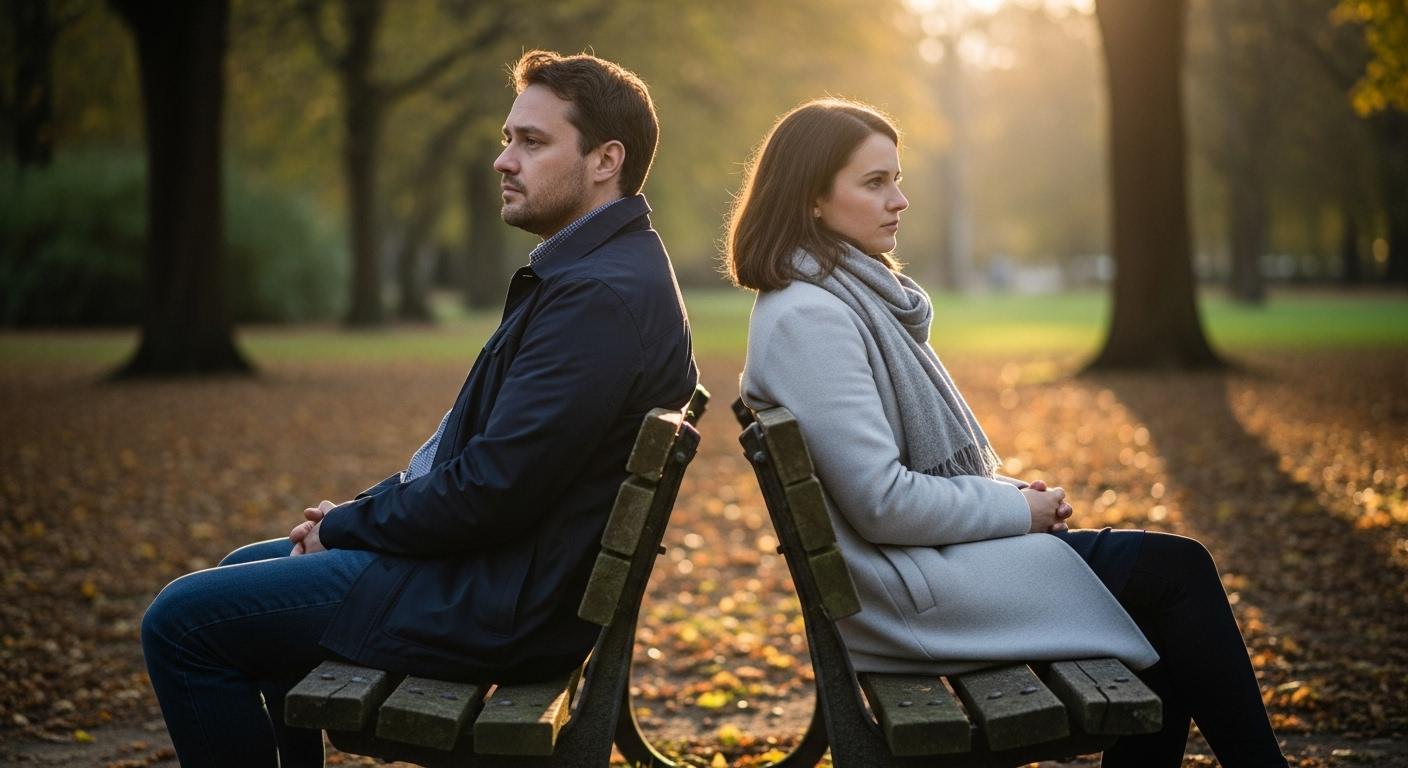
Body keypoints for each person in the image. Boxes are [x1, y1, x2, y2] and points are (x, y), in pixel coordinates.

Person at [141, 50, 697, 768]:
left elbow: (493, 489)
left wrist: (347, 526)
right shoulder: (600, 273)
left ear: (604, 160)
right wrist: (355, 516)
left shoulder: (598, 297)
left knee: (180, 623)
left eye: (532, 142)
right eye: (507, 139)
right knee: (243, 570)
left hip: (496, 604)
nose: (504, 160)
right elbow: (487, 467)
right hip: (499, 577)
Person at [727, 98, 1286, 767]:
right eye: (875, 183)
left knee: (1163, 593)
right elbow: (882, 502)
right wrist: (1016, 509)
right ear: (812, 199)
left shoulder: (836, 294)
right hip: (908, 595)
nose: (899, 200)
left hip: (918, 571)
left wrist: (1006, 497)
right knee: (1177, 575)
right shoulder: (812, 317)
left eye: (897, 179)